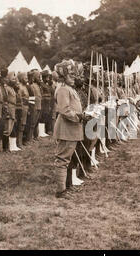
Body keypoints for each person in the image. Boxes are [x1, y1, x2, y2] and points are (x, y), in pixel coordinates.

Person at [53, 60, 89, 198]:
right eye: (71, 75)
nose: (74, 78)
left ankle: (66, 186)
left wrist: (81, 115)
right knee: (62, 160)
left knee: (68, 159)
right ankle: (61, 191)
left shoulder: (68, 88)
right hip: (66, 129)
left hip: (71, 129)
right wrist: (79, 117)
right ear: (63, 76)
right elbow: (65, 110)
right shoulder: (63, 89)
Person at [17, 72, 30, 147]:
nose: (27, 80)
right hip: (22, 108)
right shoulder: (20, 87)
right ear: (21, 79)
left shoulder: (25, 87)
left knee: (23, 125)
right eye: (25, 78)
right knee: (21, 125)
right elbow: (20, 99)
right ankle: (19, 143)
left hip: (26, 107)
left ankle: (21, 142)